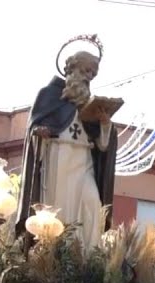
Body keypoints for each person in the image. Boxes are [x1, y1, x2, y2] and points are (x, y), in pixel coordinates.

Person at [18, 41, 121, 250]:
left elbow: (102, 146)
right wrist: (40, 131)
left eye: (93, 73)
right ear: (72, 68)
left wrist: (104, 123)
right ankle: (56, 252)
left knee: (92, 203)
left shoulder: (89, 102)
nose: (89, 76)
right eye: (86, 70)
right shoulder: (49, 94)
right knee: (60, 206)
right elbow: (34, 127)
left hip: (84, 159)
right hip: (59, 154)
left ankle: (89, 254)